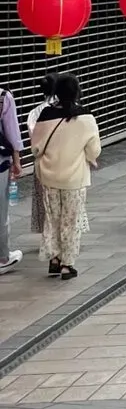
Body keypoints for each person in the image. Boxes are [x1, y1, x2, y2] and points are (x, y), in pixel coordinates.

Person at [31, 74, 101, 280]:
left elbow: (35, 149)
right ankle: (67, 264)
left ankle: (54, 257)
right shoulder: (86, 117)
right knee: (71, 220)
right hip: (75, 178)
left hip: (49, 176)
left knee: (52, 218)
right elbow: (94, 151)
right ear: (77, 91)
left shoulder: (45, 115)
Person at [28, 72, 58, 250]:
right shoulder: (68, 109)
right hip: (62, 160)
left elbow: (33, 140)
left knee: (44, 200)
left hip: (41, 161)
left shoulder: (35, 112)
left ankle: (47, 235)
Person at [0, 83, 23, 274]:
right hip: (0, 163)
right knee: (1, 211)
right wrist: (16, 161)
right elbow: (12, 132)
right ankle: (2, 257)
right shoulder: (3, 97)